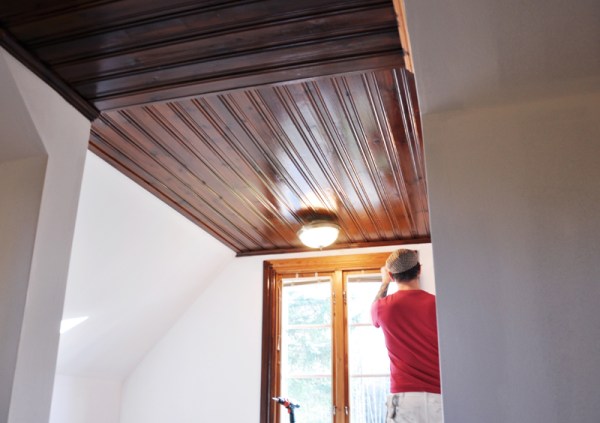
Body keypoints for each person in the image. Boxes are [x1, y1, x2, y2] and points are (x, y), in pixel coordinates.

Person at [371, 249, 442, 423]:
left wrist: (384, 282)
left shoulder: (382, 307)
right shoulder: (439, 304)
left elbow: (374, 311)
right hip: (439, 394)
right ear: (419, 270)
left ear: (391, 275)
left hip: (403, 397)